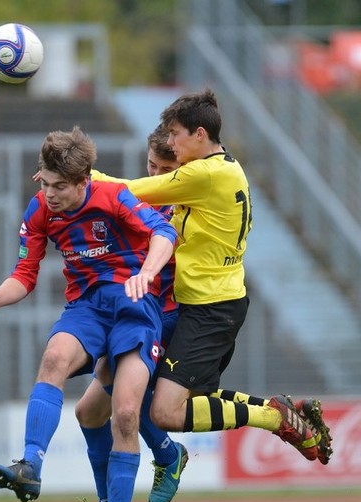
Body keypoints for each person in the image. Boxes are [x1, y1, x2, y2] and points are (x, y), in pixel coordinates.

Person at [0, 125, 178, 502]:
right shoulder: (40, 209)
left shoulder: (113, 197)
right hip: (86, 309)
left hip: (135, 305)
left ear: (83, 181)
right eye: (45, 182)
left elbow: (163, 233)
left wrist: (146, 273)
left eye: (60, 186)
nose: (50, 194)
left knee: (125, 413)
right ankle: (30, 466)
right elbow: (25, 273)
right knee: (54, 358)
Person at [82, 89, 332, 467]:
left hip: (211, 308)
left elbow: (132, 191)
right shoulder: (224, 168)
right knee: (180, 396)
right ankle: (275, 409)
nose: (170, 142)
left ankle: (273, 418)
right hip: (210, 303)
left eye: (175, 134)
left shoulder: (204, 174)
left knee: (166, 412)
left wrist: (81, 177)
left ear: (200, 135)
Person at [65, 126, 187, 502]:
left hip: (164, 316)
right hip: (131, 309)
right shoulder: (138, 201)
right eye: (152, 166)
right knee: (88, 413)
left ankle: (165, 457)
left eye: (167, 170)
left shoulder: (188, 206)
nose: (157, 176)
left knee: (120, 398)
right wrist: (65, 176)